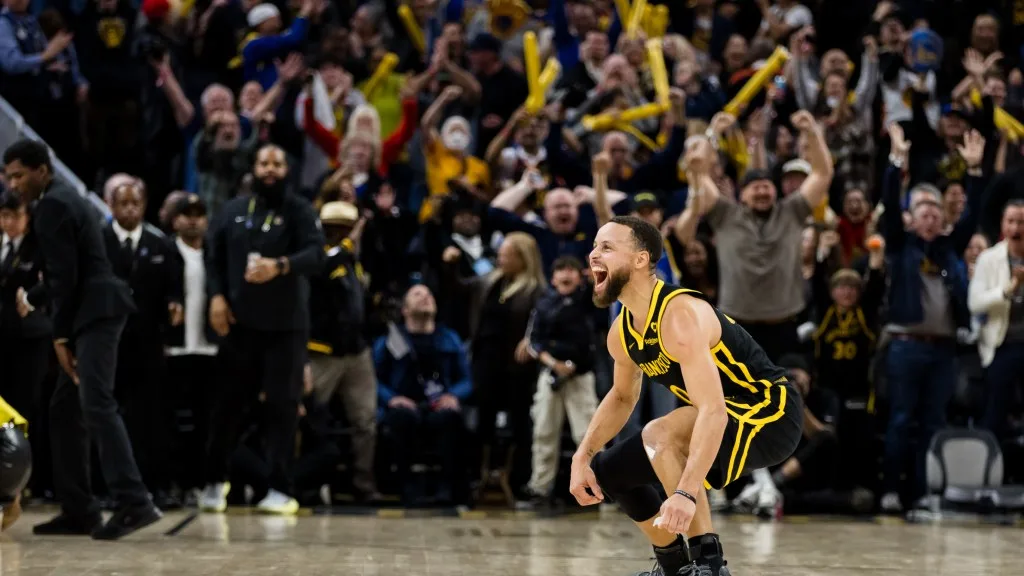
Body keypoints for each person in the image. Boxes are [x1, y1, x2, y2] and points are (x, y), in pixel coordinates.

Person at [569, 212, 803, 576]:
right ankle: (674, 565)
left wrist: (686, 493)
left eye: (606, 247)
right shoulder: (621, 332)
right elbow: (621, 397)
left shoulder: (679, 316)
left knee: (661, 433)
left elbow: (713, 410)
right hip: (721, 415)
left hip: (770, 413)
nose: (593, 255)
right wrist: (582, 456)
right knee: (609, 472)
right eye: (594, 246)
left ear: (640, 259)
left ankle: (708, 563)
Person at [3, 139, 161, 540]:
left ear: (42, 169)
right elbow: (65, 267)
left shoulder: (54, 204)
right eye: (8, 176)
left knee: (97, 403)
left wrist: (59, 336)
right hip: (94, 307)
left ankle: (134, 501)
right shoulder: (62, 199)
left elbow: (66, 278)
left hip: (96, 313)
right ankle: (80, 509)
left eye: (19, 174)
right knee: (63, 409)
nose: (13, 184)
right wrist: (36, 297)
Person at [200, 143, 326, 515]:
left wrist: (281, 265)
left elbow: (317, 256)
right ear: (253, 168)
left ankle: (280, 489)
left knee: (283, 409)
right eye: (263, 163)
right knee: (226, 407)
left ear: (287, 169)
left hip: (285, 328)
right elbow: (213, 256)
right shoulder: (234, 211)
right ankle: (213, 481)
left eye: (277, 162)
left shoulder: (300, 210)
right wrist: (216, 297)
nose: (269, 169)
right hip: (241, 326)